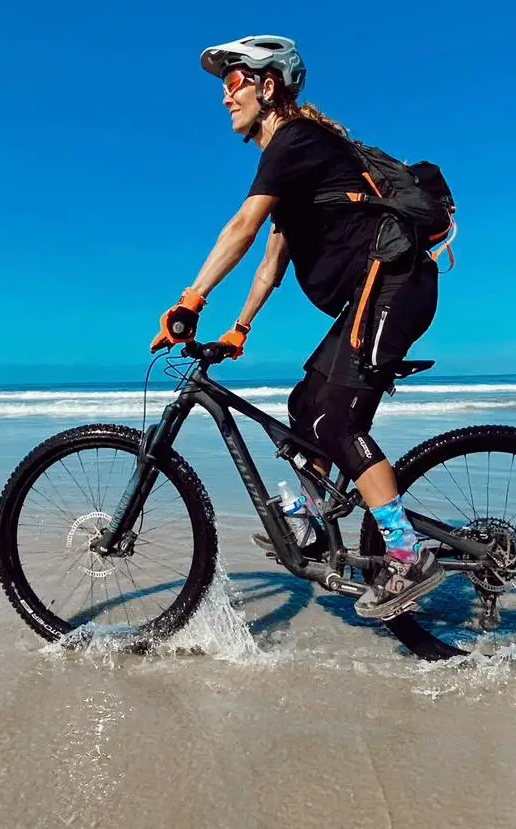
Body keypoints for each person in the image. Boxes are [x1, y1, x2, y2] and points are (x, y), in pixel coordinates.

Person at [149, 35, 444, 620]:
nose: (225, 96)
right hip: (377, 293)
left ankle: (408, 554)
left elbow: (242, 228)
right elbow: (271, 260)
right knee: (305, 401)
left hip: (394, 287)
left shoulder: (296, 139)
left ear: (268, 85)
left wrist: (191, 300)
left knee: (333, 418)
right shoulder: (297, 158)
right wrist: (240, 328)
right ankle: (313, 521)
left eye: (233, 82)